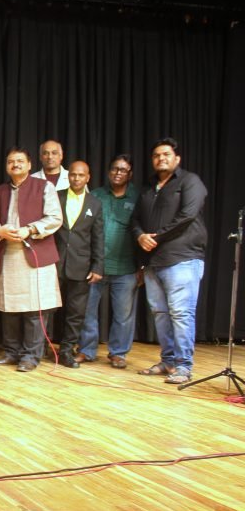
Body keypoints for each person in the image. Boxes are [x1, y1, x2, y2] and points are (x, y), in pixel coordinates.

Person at [132, 138, 207, 385]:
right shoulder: (148, 188)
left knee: (181, 313)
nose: (161, 158)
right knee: (160, 314)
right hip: (153, 261)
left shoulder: (190, 181)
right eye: (156, 155)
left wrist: (156, 238)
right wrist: (140, 236)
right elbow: (135, 219)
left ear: (177, 159)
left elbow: (187, 216)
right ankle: (168, 362)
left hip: (182, 259)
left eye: (166, 154)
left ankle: (184, 367)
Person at [0, 146, 63, 372]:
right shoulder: (0, 191)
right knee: (9, 307)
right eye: (11, 161)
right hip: (8, 254)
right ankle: (11, 352)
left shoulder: (44, 187)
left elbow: (55, 218)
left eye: (20, 161)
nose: (15, 164)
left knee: (34, 310)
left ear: (29, 165)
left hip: (36, 254)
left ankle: (31, 356)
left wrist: (30, 229)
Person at [77, 154, 140, 368]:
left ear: (130, 174)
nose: (118, 173)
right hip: (95, 266)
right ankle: (87, 350)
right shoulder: (95, 196)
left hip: (126, 267)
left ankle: (118, 353)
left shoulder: (137, 197)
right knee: (87, 311)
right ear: (108, 171)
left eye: (123, 170)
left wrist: (142, 266)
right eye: (114, 169)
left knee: (123, 315)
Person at [53, 161, 104, 368]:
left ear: (87, 177)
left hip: (81, 265)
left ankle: (66, 351)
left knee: (76, 312)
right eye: (73, 174)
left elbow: (98, 237)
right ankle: (39, 348)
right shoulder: (57, 197)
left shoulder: (95, 203)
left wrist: (98, 266)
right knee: (47, 309)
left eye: (81, 175)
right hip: (54, 262)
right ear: (68, 176)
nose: (76, 178)